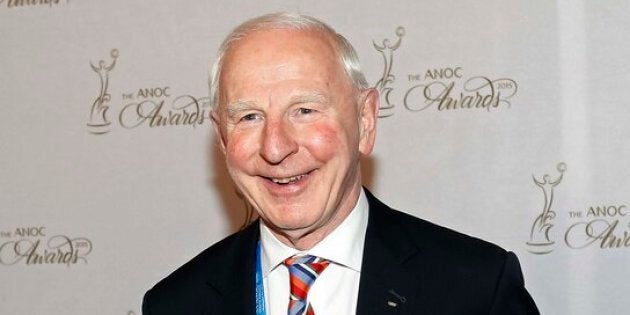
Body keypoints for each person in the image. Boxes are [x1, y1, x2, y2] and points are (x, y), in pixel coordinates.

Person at [142, 12, 540, 315]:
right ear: (221, 136)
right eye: (249, 117)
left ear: (365, 120)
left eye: (305, 109)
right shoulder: (176, 303)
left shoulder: (475, 289)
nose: (276, 148)